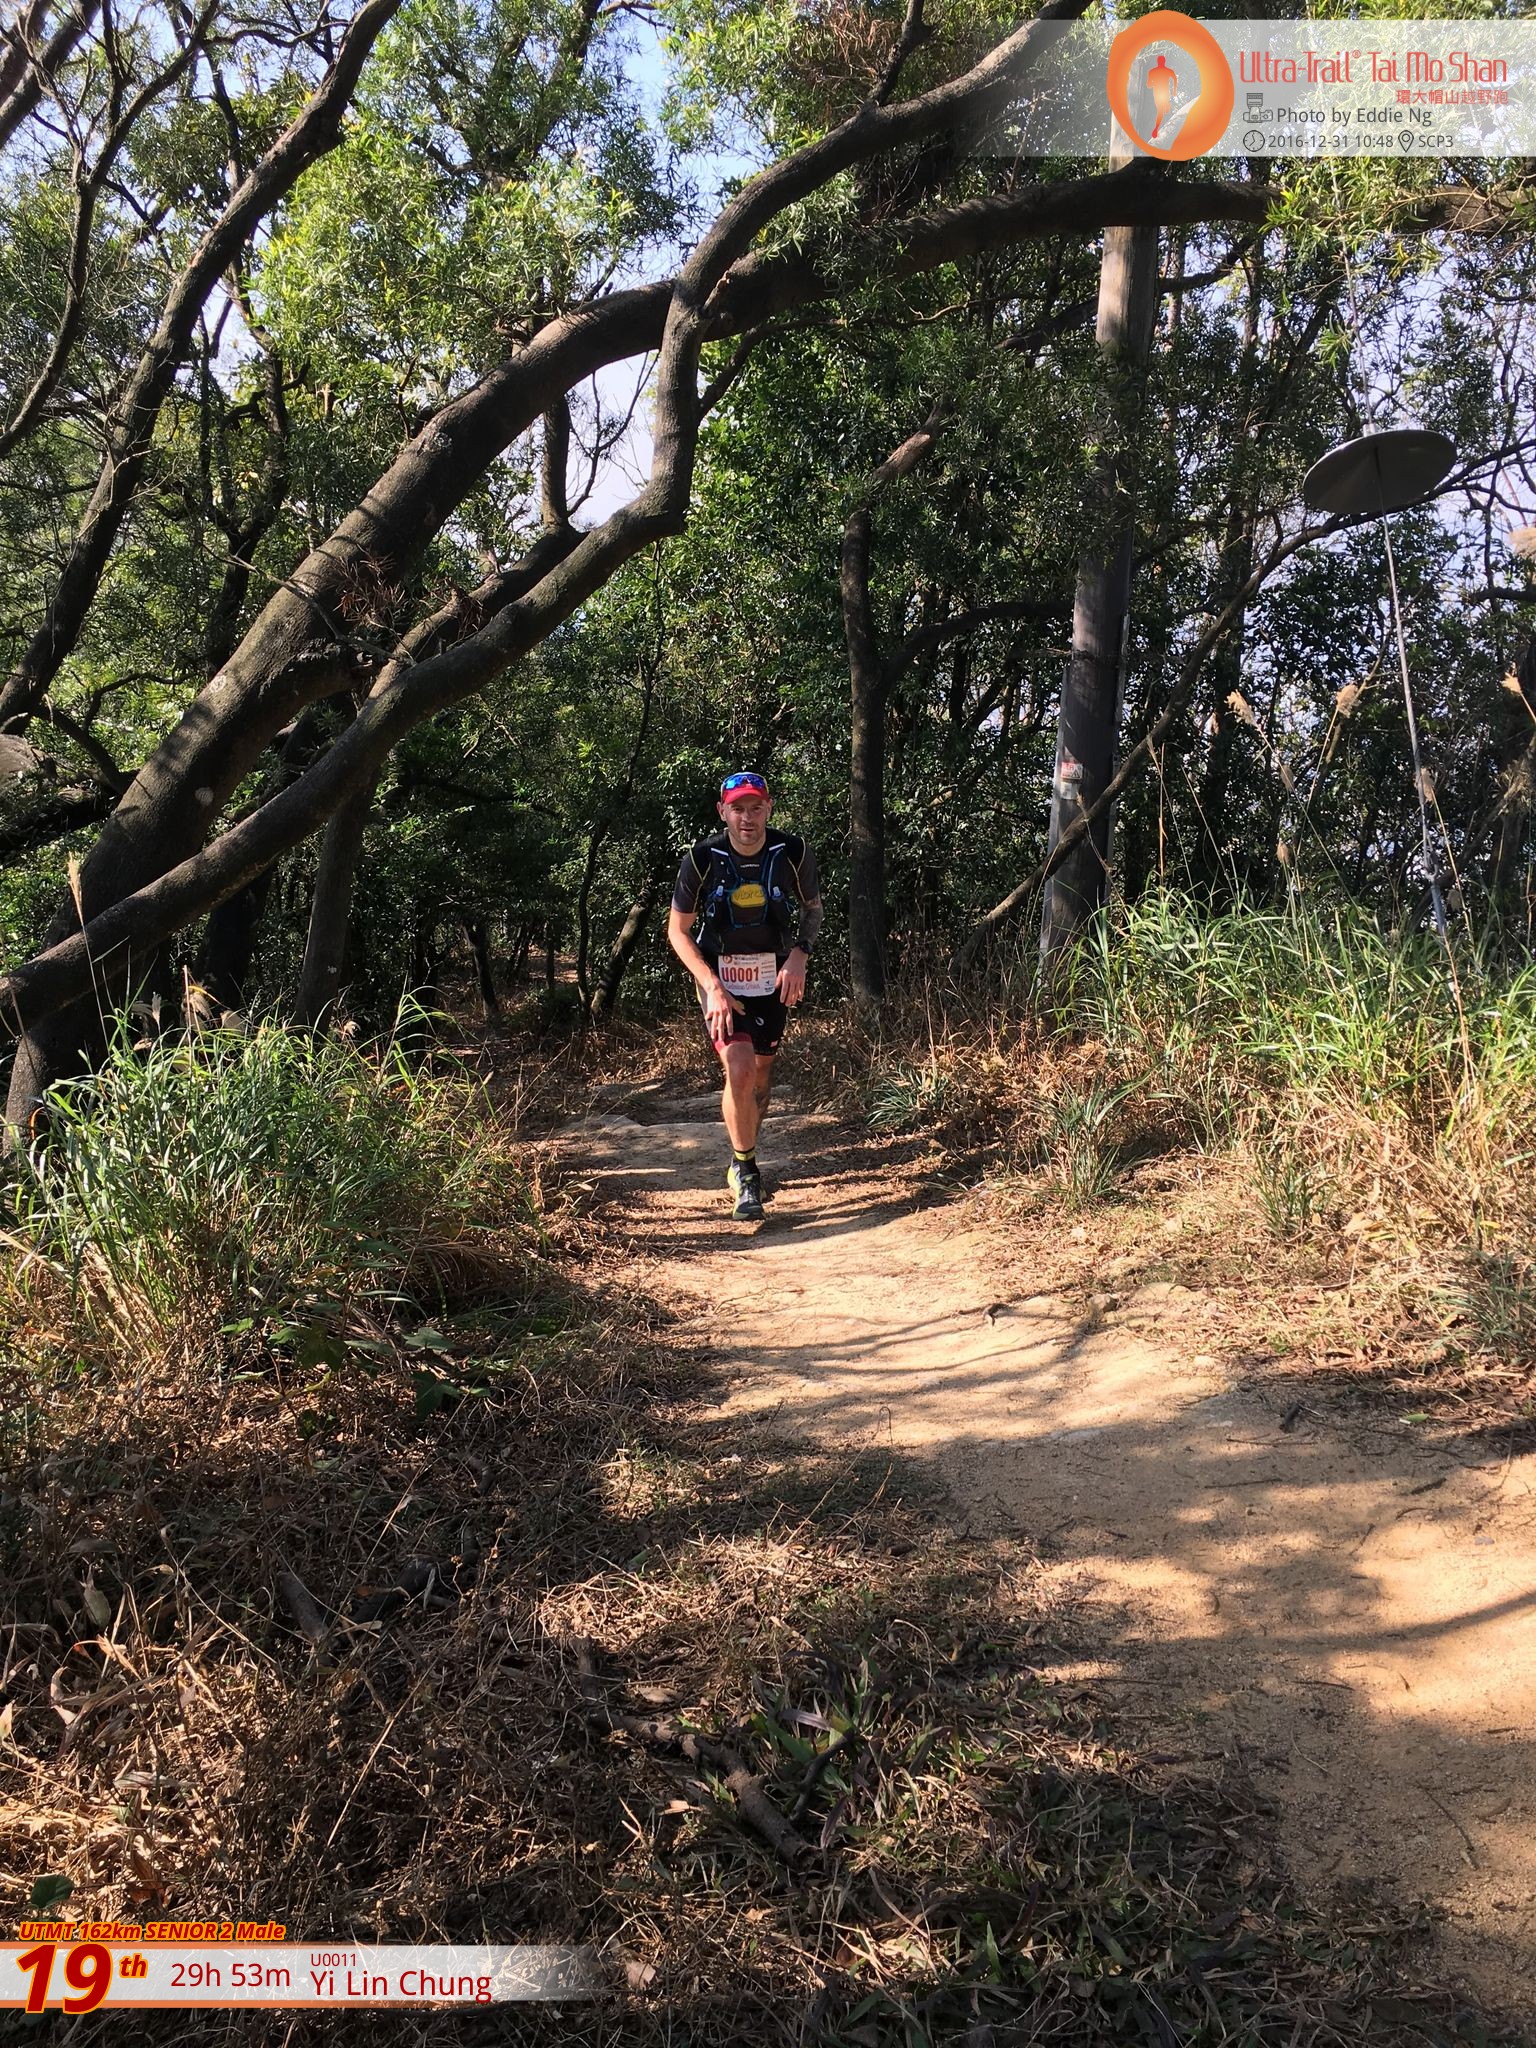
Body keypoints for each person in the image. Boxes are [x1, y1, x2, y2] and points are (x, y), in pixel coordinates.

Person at [667, 770, 823, 1221]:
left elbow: (813, 909)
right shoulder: (702, 857)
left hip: (773, 976)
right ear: (723, 812)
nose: (747, 818)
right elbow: (678, 931)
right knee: (739, 1068)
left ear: (768, 808)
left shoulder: (792, 851)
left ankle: (744, 1148)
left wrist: (800, 955)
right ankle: (746, 1172)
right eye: (738, 808)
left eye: (756, 807)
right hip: (720, 977)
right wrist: (711, 985)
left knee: (760, 1077)